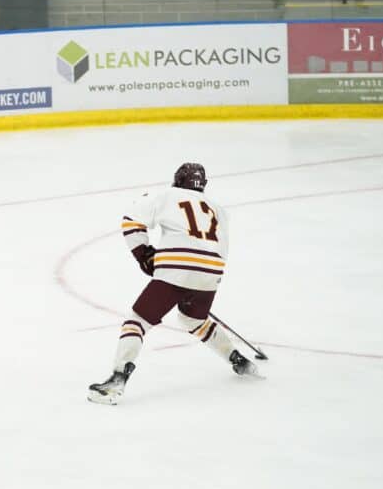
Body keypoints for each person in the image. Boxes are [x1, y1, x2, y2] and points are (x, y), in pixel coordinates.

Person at [88, 162, 259, 405]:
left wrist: (144, 255)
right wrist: (205, 279)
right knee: (193, 320)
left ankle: (117, 380)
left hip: (176, 269)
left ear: (178, 180)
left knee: (138, 321)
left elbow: (131, 221)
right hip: (212, 271)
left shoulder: (167, 195)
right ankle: (238, 359)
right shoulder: (219, 209)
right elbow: (222, 246)